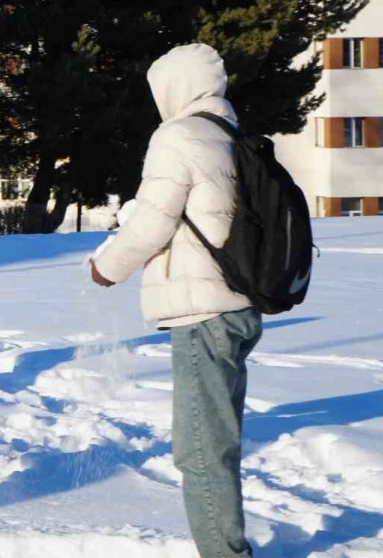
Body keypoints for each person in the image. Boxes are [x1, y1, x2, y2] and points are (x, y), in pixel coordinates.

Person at [90, 44, 261, 558]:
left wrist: (107, 266)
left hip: (202, 312)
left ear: (175, 88)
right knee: (219, 442)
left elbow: (153, 223)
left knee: (201, 450)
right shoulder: (229, 133)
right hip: (239, 307)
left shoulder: (179, 135)